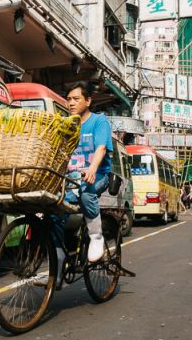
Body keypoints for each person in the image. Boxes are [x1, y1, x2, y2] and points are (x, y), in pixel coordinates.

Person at [52, 82, 113, 272]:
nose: (71, 103)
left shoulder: (99, 121)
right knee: (53, 207)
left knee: (86, 189)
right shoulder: (65, 124)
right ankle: (58, 259)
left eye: (76, 99)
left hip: (99, 174)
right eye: (69, 99)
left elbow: (101, 148)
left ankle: (96, 237)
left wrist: (92, 168)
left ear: (88, 100)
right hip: (71, 178)